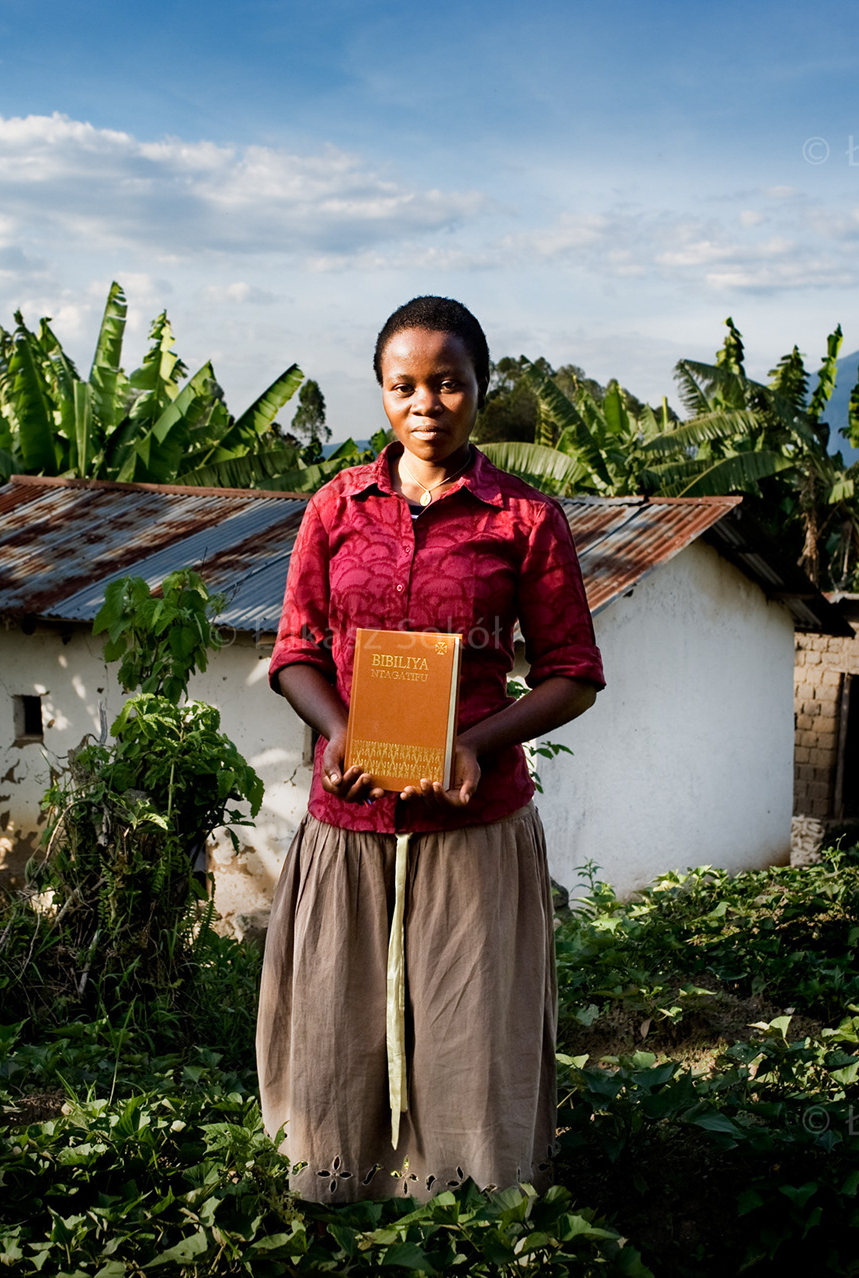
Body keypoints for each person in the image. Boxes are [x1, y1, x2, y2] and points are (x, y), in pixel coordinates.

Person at [258, 295, 605, 1201]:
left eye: (448, 383)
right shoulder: (335, 508)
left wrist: (475, 744)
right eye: (404, 385)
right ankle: (333, 1196)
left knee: (472, 1023)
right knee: (339, 1021)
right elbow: (294, 653)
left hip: (474, 817)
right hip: (352, 816)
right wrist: (341, 736)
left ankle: (471, 1210)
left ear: (480, 390)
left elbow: (573, 671)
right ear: (381, 392)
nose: (426, 404)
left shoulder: (524, 520)